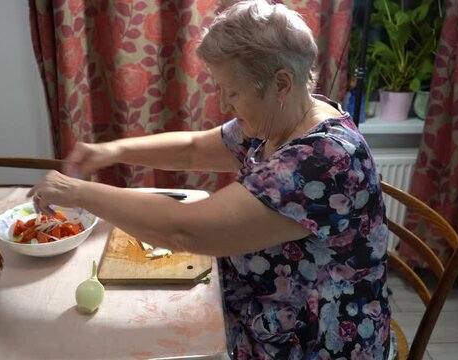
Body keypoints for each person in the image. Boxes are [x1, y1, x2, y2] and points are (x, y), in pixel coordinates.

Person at [29, 0, 392, 358]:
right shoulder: (282, 117)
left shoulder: (325, 159)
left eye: (231, 91)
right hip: (258, 303)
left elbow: (185, 231)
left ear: (281, 83)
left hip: (310, 340)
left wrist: (77, 191)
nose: (222, 103)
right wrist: (112, 151)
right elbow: (192, 148)